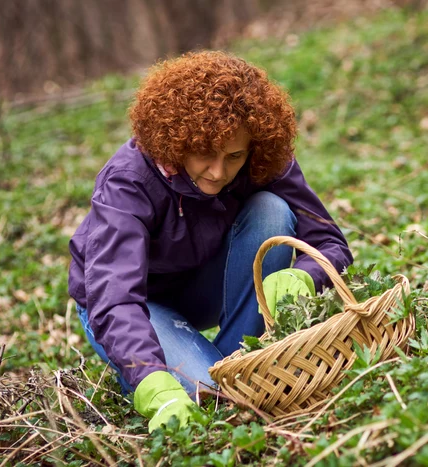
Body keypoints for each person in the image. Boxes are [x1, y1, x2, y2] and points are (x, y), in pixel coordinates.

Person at [68, 51, 353, 432]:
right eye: (204, 153)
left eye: (234, 155)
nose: (219, 172)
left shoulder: (261, 159)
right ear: (178, 140)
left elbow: (329, 241)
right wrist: (154, 384)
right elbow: (115, 296)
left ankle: (237, 360)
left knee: (271, 208)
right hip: (135, 303)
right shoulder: (128, 181)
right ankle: (209, 373)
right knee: (216, 399)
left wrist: (303, 275)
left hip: (203, 284)